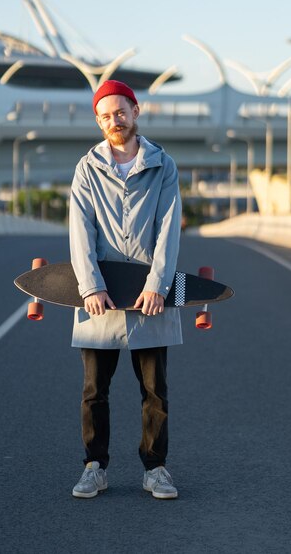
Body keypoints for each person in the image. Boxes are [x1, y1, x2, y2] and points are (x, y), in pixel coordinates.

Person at [69, 80, 182, 499]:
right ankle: (94, 466)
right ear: (98, 122)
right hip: (100, 295)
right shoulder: (87, 168)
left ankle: (156, 469)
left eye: (120, 112)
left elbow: (169, 228)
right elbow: (79, 231)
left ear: (136, 111)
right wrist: (90, 286)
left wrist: (158, 284)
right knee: (94, 390)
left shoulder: (162, 165)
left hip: (149, 295)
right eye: (105, 116)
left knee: (155, 390)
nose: (113, 121)